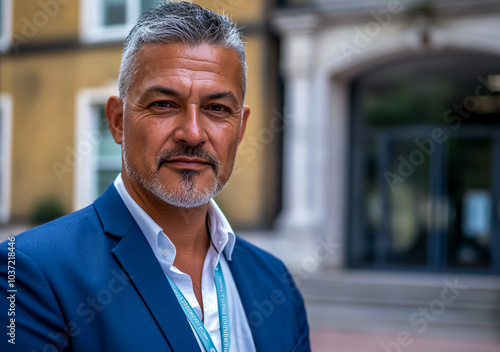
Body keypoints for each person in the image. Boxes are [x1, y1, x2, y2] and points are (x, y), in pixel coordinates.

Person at [0, 2, 310, 351]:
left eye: (217, 109)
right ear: (117, 120)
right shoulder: (29, 272)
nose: (193, 133)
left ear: (240, 128)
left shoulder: (277, 283)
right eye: (164, 104)